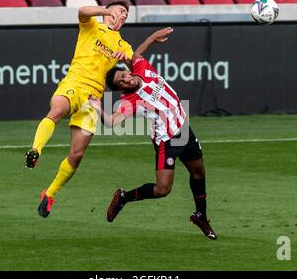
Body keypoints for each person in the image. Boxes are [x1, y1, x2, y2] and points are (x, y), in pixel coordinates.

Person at [89, 28, 217, 240]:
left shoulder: (142, 69)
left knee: (199, 172)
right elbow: (111, 122)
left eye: (123, 76)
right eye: (120, 83)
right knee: (162, 189)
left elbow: (136, 55)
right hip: (166, 140)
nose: (125, 81)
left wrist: (152, 38)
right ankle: (123, 197)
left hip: (183, 129)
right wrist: (97, 107)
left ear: (128, 72)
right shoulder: (129, 101)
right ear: (121, 88)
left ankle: (201, 215)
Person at [25, 1, 133, 218]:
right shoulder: (91, 25)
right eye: (119, 10)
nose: (122, 14)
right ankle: (35, 150)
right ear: (107, 10)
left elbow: (135, 69)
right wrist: (105, 11)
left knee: (77, 153)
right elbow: (82, 11)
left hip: (93, 98)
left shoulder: (123, 45)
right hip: (74, 83)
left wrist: (127, 60)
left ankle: (50, 193)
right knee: (56, 111)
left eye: (125, 13)